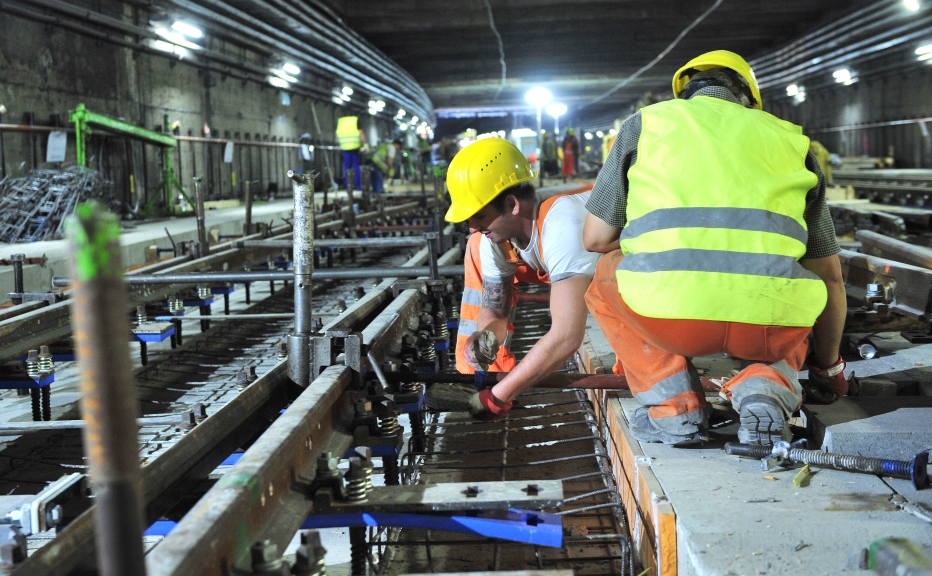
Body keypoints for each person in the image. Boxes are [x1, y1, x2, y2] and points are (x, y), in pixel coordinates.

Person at [582, 50, 850, 446]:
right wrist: (829, 368)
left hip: (670, 322)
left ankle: (675, 407)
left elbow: (595, 239)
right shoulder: (792, 140)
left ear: (684, 95)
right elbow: (830, 277)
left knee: (605, 276)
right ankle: (767, 386)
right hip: (765, 327)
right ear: (750, 100)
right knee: (797, 283)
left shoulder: (645, 125)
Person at [446, 138, 600, 419]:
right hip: (561, 261)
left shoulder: (563, 222)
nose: (472, 227)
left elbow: (567, 337)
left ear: (512, 203)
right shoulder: (495, 237)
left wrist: (499, 395)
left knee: (610, 282)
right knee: (476, 247)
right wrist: (485, 337)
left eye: (479, 216)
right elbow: (494, 309)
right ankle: (487, 371)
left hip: (634, 270)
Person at [336, 115, 367, 192]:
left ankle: (347, 186)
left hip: (345, 147)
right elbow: (361, 132)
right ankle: (358, 187)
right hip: (354, 147)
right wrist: (365, 144)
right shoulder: (355, 119)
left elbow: (337, 133)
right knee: (356, 167)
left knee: (347, 167)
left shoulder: (340, 121)